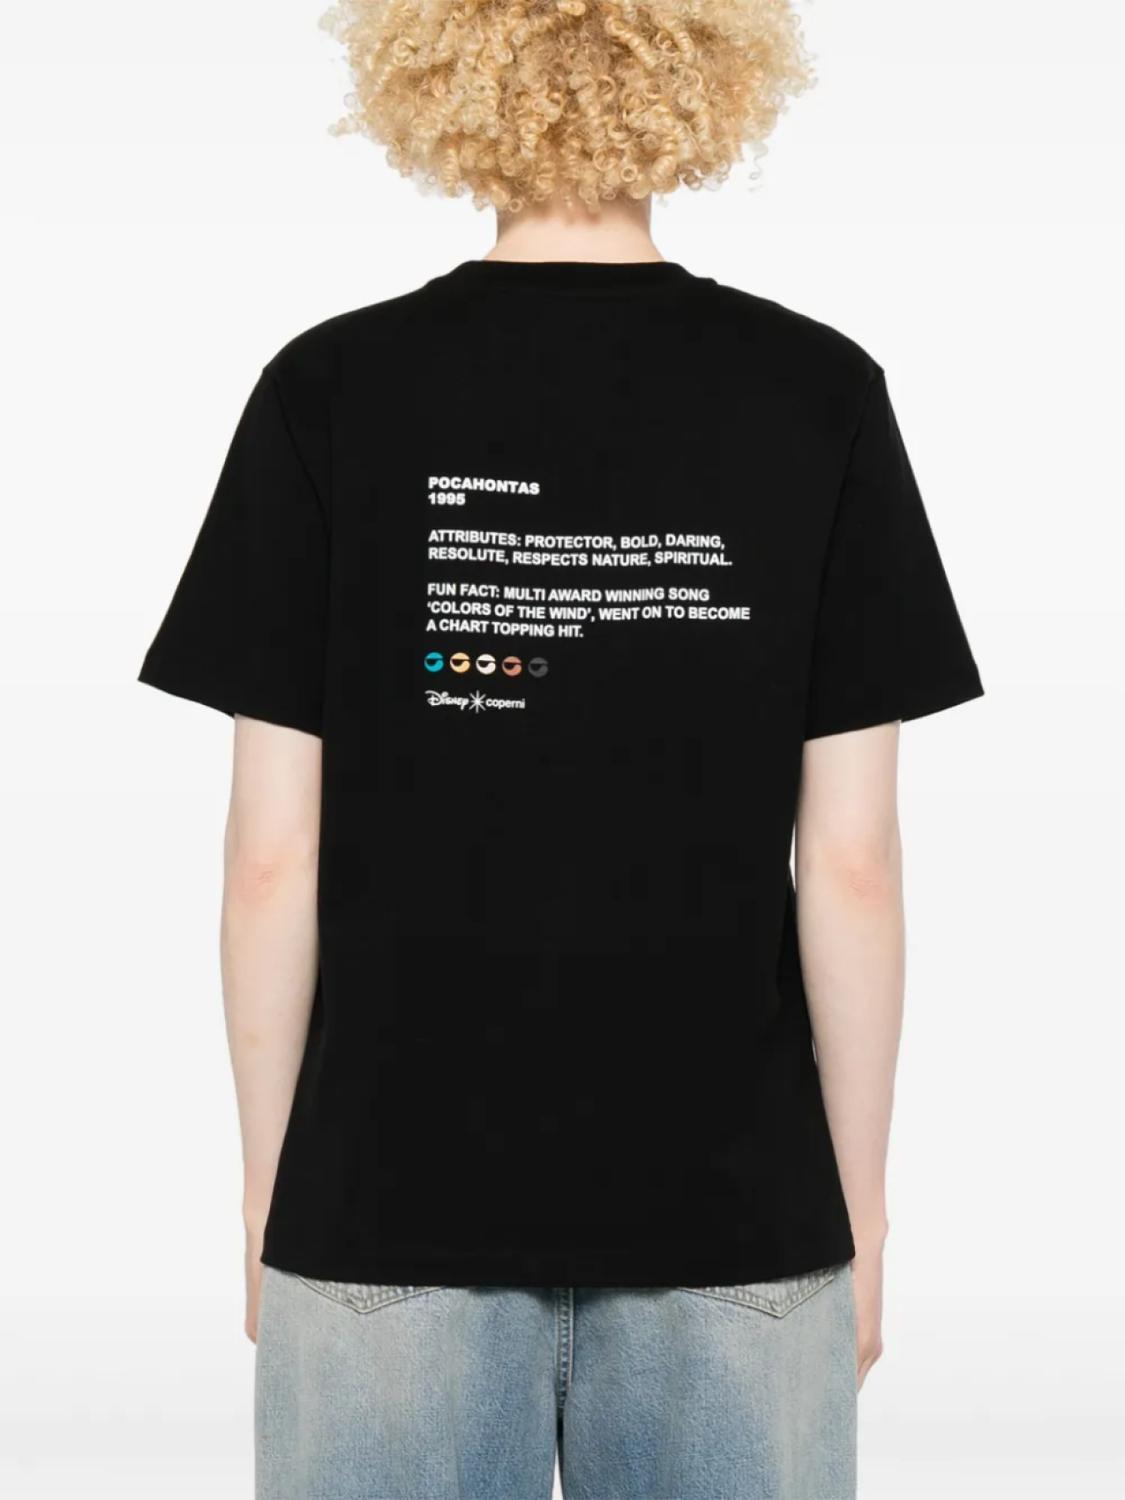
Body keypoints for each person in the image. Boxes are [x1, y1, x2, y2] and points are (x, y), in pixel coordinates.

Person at [139, 1, 983, 1495]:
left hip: (380, 1211)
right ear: (706, 70)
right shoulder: (817, 393)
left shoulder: (328, 390)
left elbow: (271, 861)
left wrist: (275, 1200)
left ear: (436, 72)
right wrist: (857, 1216)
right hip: (739, 1219)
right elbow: (851, 867)